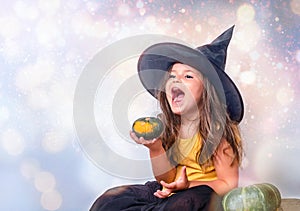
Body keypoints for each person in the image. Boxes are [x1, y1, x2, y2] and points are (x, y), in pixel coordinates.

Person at [90, 26, 244, 211]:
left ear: (208, 91)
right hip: (170, 192)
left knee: (188, 202)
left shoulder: (218, 134)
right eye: (172, 76)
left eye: (188, 76)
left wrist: (187, 186)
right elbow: (167, 179)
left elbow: (228, 184)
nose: (176, 80)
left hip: (200, 196)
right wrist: (155, 149)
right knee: (111, 200)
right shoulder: (170, 128)